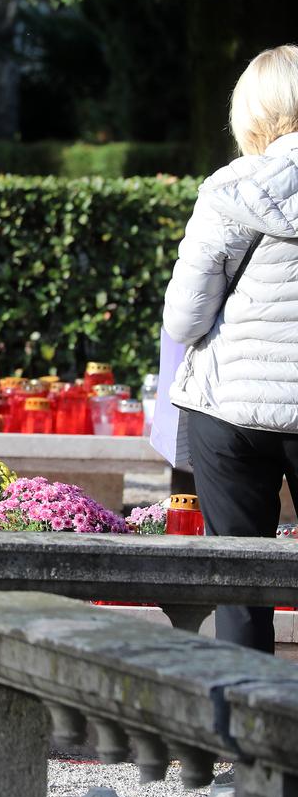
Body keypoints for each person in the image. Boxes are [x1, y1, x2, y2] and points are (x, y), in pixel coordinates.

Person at [163, 44, 298, 655]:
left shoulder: (228, 191)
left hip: (229, 407)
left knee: (241, 583)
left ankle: (250, 742)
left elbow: (185, 321)